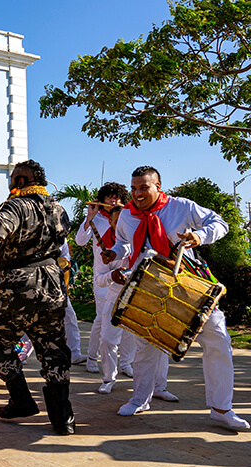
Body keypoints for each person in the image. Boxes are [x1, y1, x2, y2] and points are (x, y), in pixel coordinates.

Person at [102, 166, 248, 430]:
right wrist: (114, 253)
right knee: (145, 346)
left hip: (187, 283)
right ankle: (140, 399)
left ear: (158, 186)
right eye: (134, 188)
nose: (137, 194)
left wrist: (199, 236)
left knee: (217, 339)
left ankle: (221, 408)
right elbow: (125, 243)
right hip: (145, 286)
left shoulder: (181, 207)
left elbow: (220, 223)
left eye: (144, 187)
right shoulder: (126, 215)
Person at [0, 160, 75, 435]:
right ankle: (63, 419)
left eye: (14, 179)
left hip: (18, 285)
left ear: (22, 181)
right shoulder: (58, 209)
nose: (11, 184)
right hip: (51, 283)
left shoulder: (17, 205)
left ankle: (22, 400)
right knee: (53, 349)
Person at [75, 182, 134, 375]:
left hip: (125, 274)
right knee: (101, 319)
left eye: (116, 197)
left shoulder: (128, 218)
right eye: (109, 197)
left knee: (127, 321)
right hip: (103, 276)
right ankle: (92, 358)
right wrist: (89, 217)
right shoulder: (97, 220)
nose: (113, 200)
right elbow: (80, 241)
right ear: (101, 200)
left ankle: (126, 363)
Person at [58, 240, 87, 365]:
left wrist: (63, 262)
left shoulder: (60, 235)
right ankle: (22, 355)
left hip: (58, 283)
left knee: (70, 316)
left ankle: (74, 353)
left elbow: (66, 255)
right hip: (36, 280)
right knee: (30, 317)